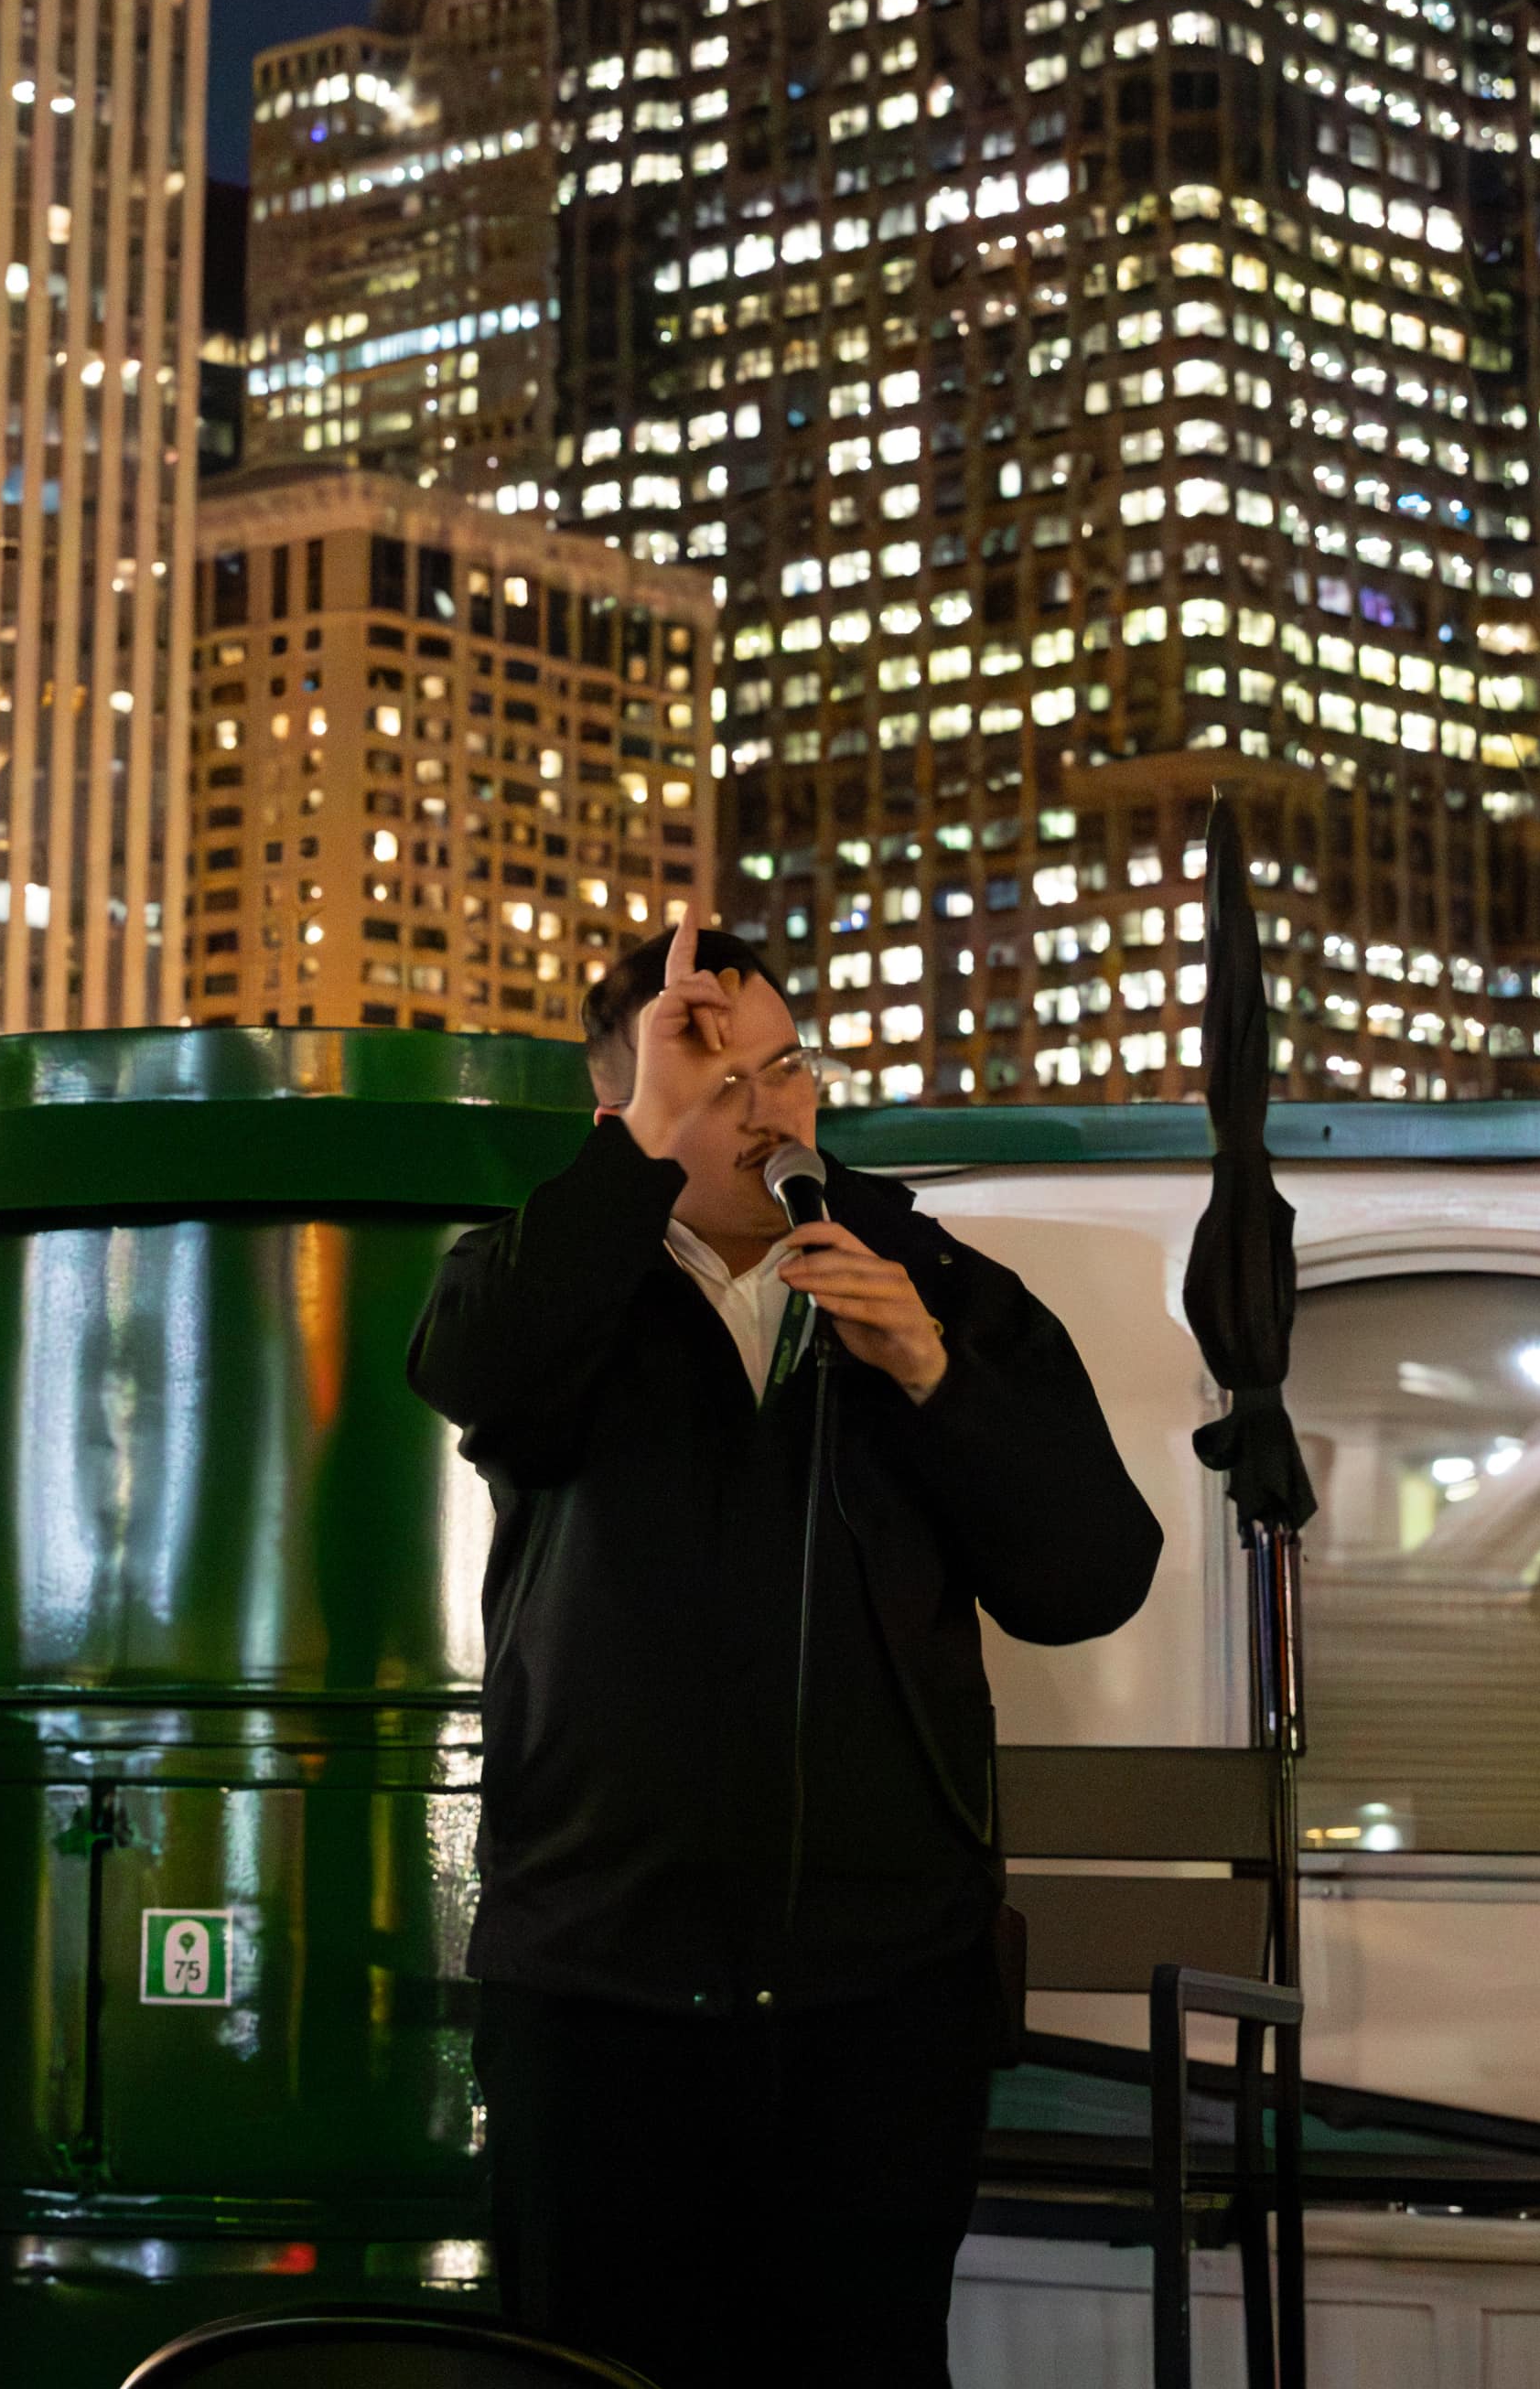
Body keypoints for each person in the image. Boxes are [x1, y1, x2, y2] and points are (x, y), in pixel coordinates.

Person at [409, 916, 1166, 2389]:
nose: (769, 1110)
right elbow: (470, 1369)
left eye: (790, 1066)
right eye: (714, 1083)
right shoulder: (558, 1283)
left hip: (883, 1994)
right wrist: (636, 1158)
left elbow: (1090, 1579)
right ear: (626, 1115)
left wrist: (936, 1378)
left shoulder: (933, 1281)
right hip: (601, 1989)